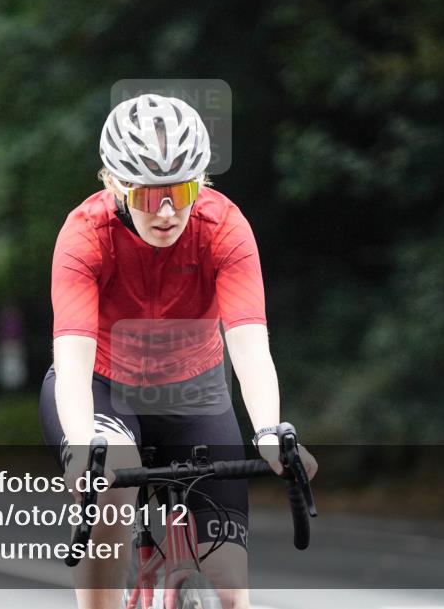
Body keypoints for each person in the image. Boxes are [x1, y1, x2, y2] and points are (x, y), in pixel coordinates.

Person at [39, 93, 317, 609]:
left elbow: (250, 346)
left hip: (194, 391)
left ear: (202, 182)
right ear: (115, 185)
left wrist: (269, 430)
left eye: (182, 190)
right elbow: (73, 364)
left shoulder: (223, 228)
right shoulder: (84, 236)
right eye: (148, 196)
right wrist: (83, 446)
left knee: (233, 591)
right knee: (112, 477)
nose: (167, 212)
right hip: (103, 388)